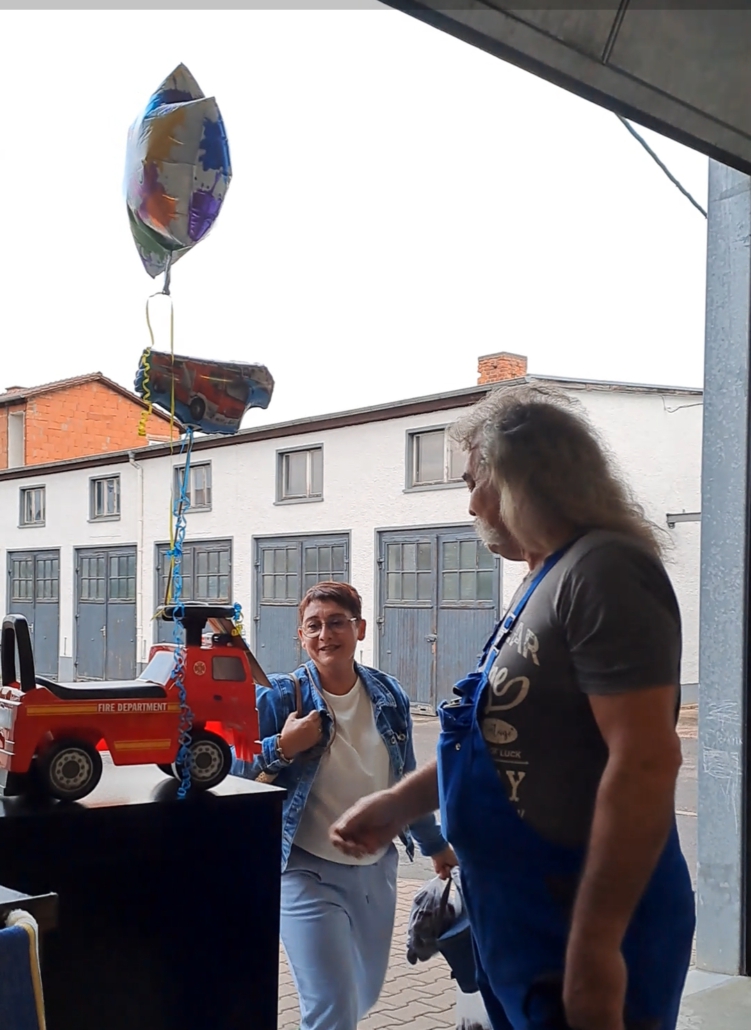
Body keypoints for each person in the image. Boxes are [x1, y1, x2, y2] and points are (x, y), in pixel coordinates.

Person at [331, 385, 695, 1030]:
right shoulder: (543, 577)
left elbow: (644, 762)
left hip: (576, 922)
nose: (470, 503)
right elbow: (500, 738)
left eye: (476, 482)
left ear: (524, 479)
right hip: (520, 916)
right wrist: (398, 805)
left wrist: (595, 949)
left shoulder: (605, 570)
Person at [232, 580, 456, 1030]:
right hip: (304, 870)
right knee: (331, 1005)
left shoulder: (388, 694)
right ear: (301, 636)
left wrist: (434, 845)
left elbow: (405, 777)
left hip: (376, 870)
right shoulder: (280, 696)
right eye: (313, 626)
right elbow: (235, 774)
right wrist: (283, 746)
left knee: (362, 994)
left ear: (361, 629)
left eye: (337, 622)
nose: (325, 634)